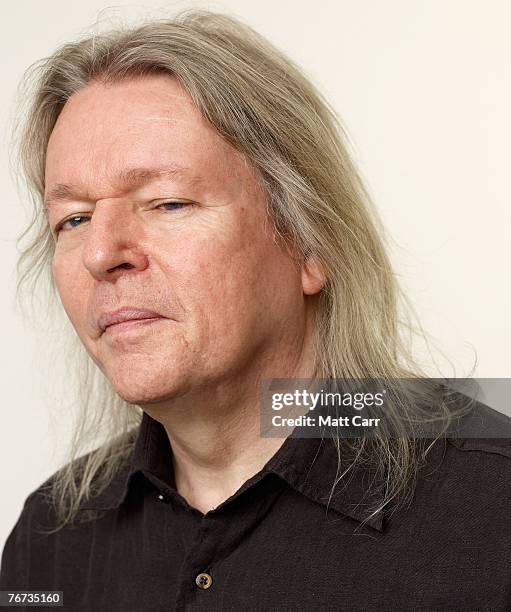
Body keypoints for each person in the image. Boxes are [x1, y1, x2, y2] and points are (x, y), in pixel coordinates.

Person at [1, 10, 510, 611]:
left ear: (310, 242)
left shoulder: (494, 509)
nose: (101, 253)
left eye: (167, 203)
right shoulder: (49, 539)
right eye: (75, 219)